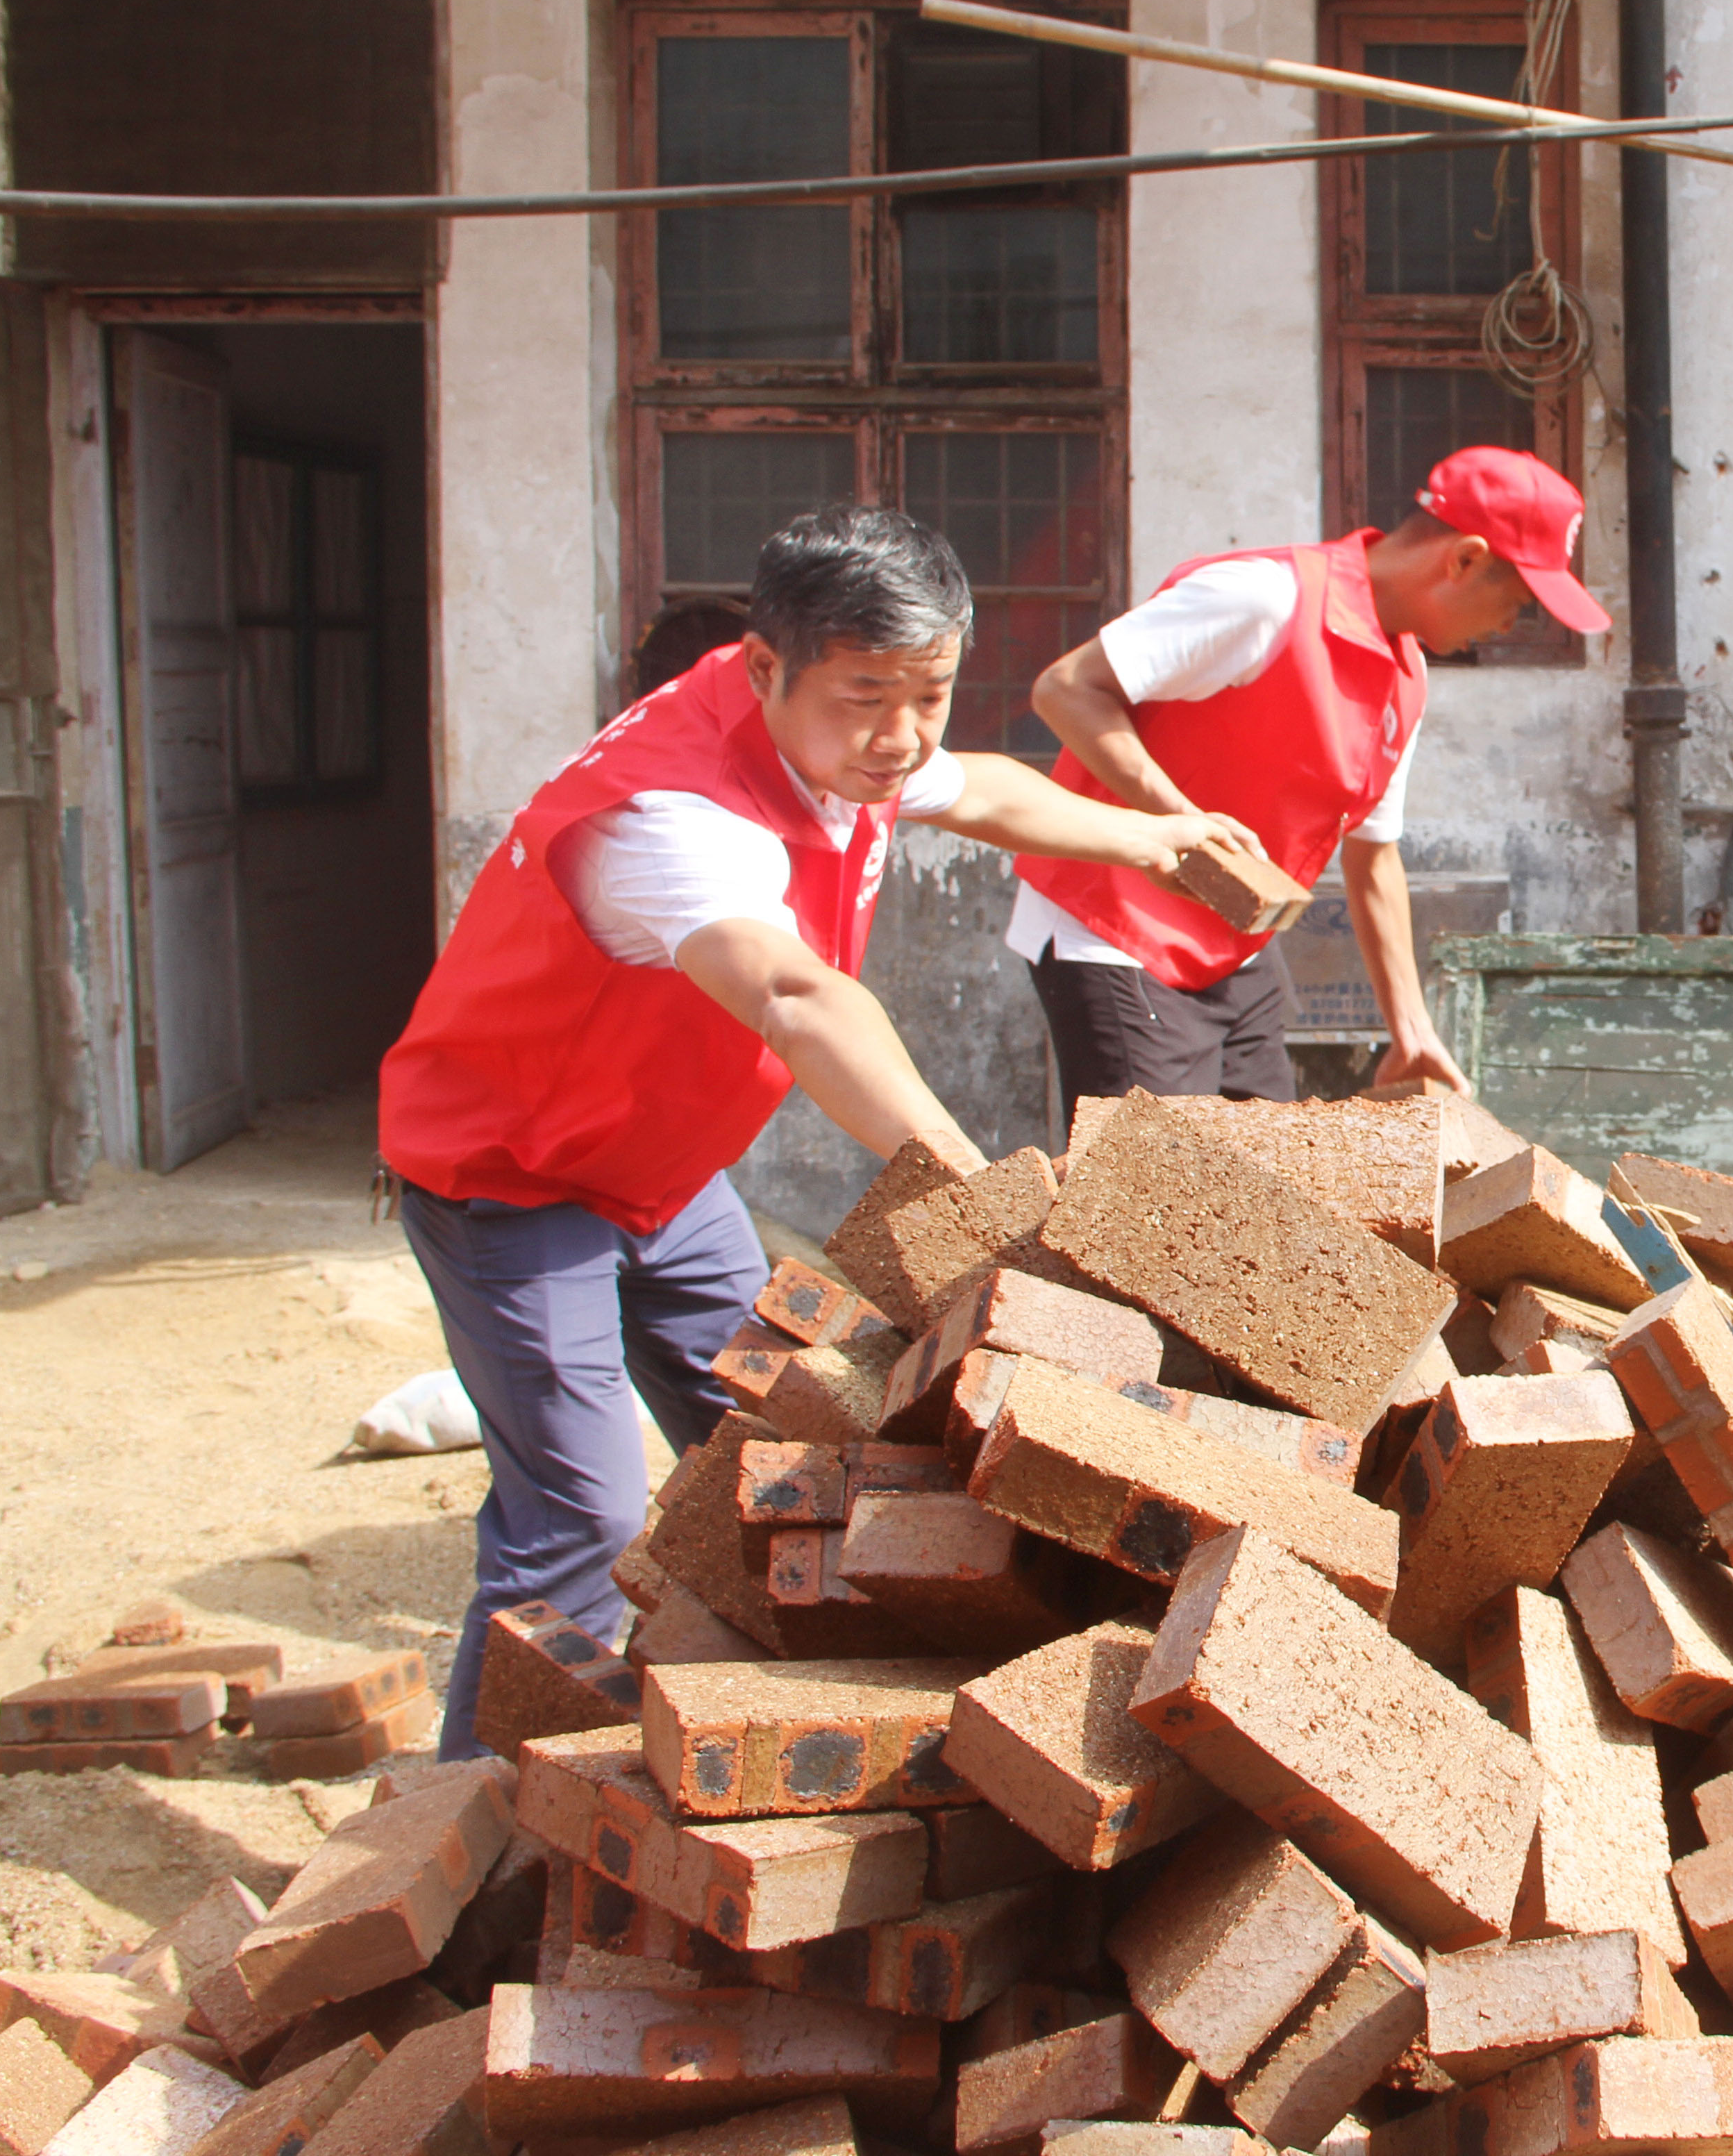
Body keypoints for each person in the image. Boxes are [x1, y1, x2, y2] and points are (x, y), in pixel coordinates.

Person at [378, 505, 1252, 1758]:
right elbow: (800, 1000)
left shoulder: (839, 734)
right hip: (513, 1180)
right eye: (866, 699)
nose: (901, 737)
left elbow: (985, 791)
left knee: (778, 1434)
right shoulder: (672, 822)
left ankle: (748, 1733)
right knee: (576, 1512)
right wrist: (973, 1189)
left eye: (931, 692)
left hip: (664, 1172)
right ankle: (461, 1846)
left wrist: (1152, 835)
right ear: (764, 670)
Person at [1005, 446, 1609, 1104]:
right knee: (1149, 1194)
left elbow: (1374, 858)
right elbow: (1065, 689)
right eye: (1517, 603)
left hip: (1233, 938)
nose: (1506, 627)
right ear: (1464, 559)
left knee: (1270, 1182)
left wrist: (1410, 1029)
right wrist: (1181, 821)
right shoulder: (1265, 599)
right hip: (1113, 926)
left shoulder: (1407, 680)